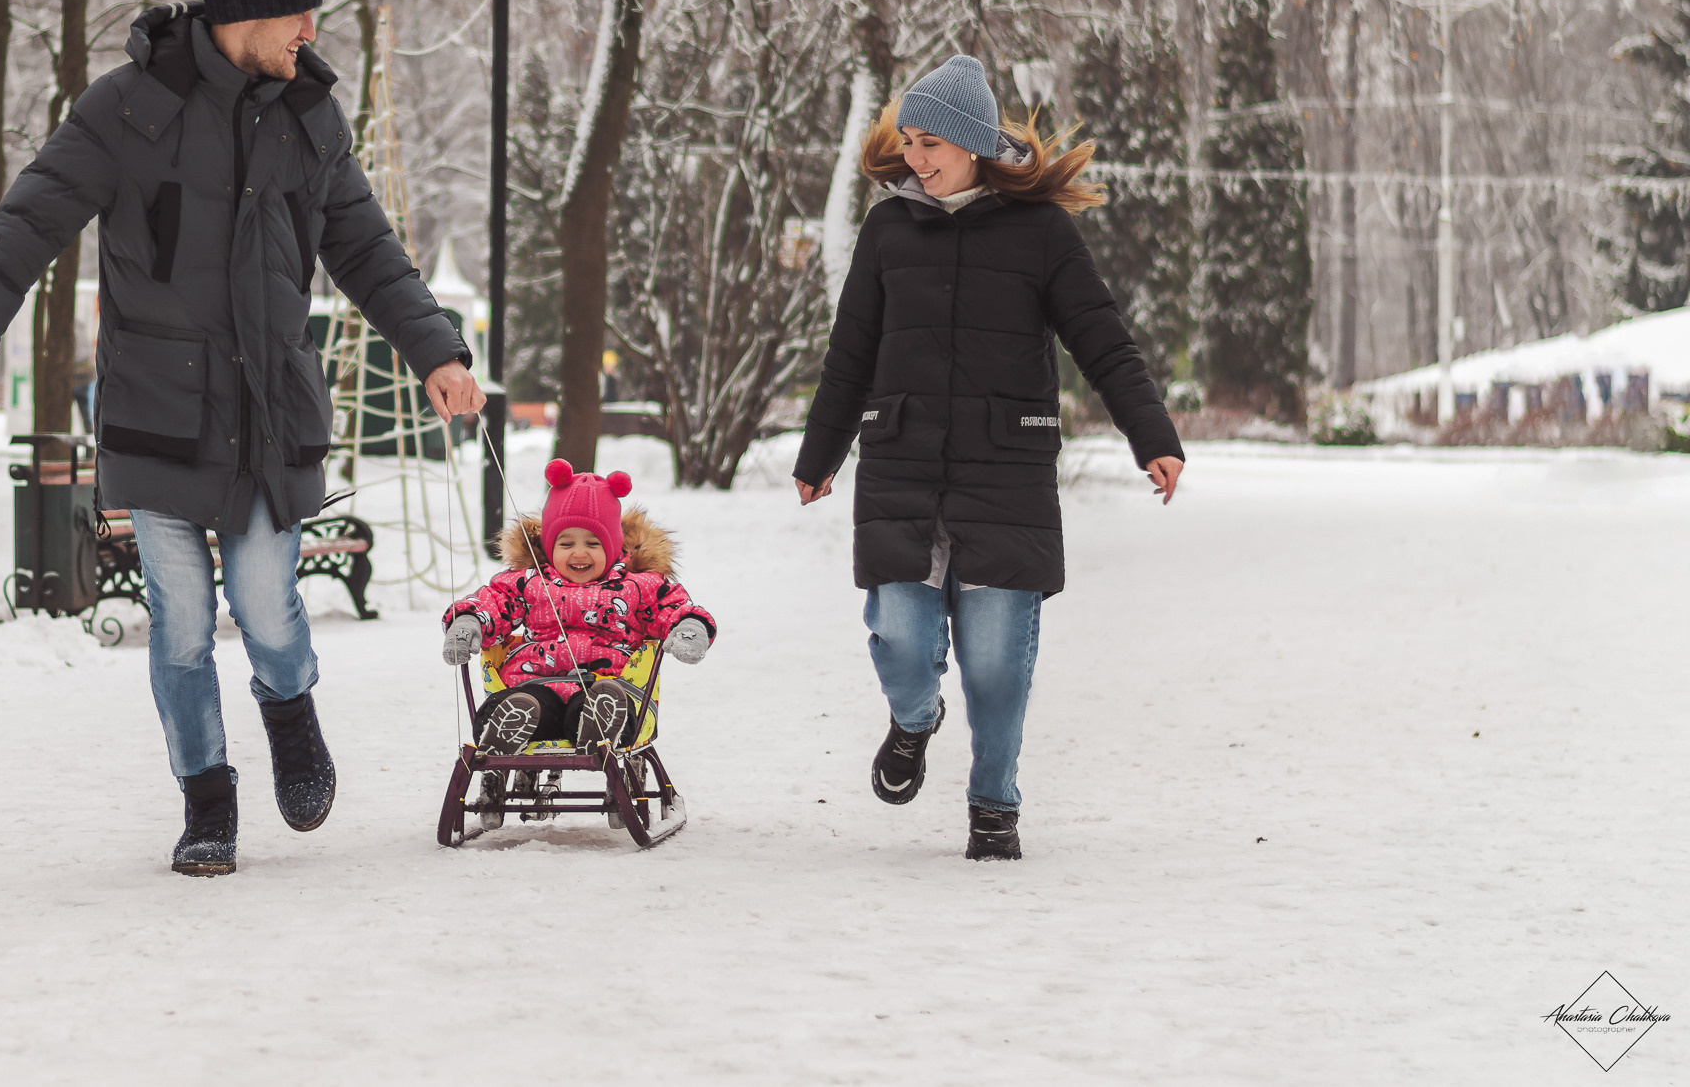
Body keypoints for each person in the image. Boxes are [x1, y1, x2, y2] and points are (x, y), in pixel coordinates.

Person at [0, 0, 484, 877]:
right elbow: (27, 223)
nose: (311, 27)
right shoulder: (128, 111)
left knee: (266, 607)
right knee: (180, 625)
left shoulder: (311, 118)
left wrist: (437, 351)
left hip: (269, 410)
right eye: (297, 10)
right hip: (158, 407)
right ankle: (206, 800)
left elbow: (368, 250)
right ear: (244, 13)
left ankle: (291, 712)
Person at [793, 53, 1185, 862]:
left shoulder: (1042, 233)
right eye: (909, 140)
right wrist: (821, 451)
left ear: (972, 142)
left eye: (931, 141)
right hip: (903, 463)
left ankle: (994, 803)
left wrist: (1152, 435)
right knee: (900, 640)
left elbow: (1102, 339)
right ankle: (914, 720)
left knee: (998, 664)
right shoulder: (888, 229)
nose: (917, 157)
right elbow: (851, 351)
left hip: (1006, 469)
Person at [440, 460, 715, 829]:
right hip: (537, 686)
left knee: (599, 701)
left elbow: (674, 607)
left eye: (593, 543)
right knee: (530, 705)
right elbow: (494, 602)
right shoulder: (528, 582)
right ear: (549, 545)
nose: (579, 553)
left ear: (615, 546)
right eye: (566, 543)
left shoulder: (639, 585)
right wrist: (469, 621)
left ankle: (599, 722)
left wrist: (690, 628)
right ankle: (509, 722)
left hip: (610, 684)